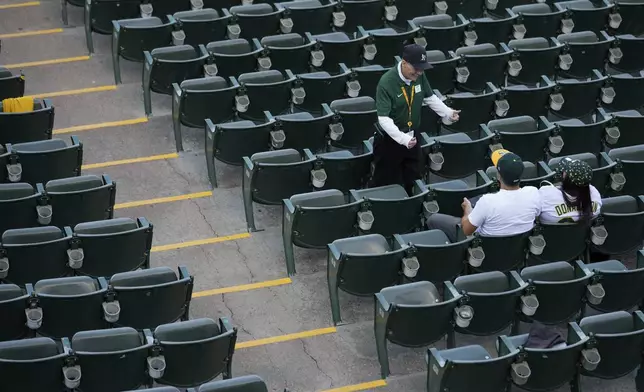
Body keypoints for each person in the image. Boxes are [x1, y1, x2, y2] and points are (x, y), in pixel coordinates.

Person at [372, 44, 460, 195]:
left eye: (422, 68)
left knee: (412, 176)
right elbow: (384, 119)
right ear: (404, 63)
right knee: (384, 181)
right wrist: (402, 139)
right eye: (416, 68)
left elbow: (429, 97)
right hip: (390, 140)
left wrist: (447, 112)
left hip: (413, 135)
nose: (419, 72)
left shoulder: (419, 75)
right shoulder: (386, 83)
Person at [426, 149, 541, 242]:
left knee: (434, 219)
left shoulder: (487, 202)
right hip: (517, 252)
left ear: (498, 176)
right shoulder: (533, 193)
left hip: (487, 251)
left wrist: (468, 211)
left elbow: (466, 230)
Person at [539, 158, 602, 224]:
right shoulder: (595, 194)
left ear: (566, 178)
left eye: (564, 172)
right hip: (581, 234)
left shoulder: (546, 193)